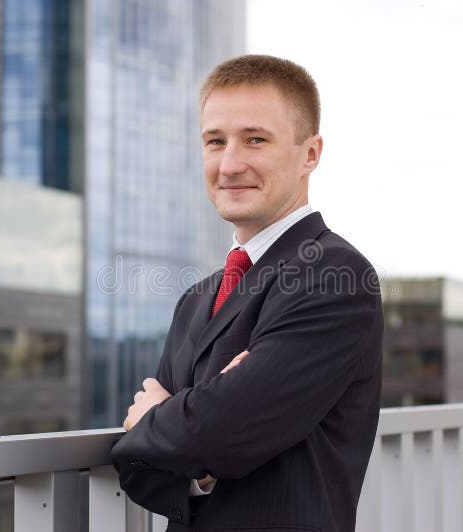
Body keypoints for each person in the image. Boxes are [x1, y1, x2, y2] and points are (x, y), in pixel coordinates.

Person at [110, 54, 383, 532]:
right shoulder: (197, 298)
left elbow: (218, 431)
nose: (230, 164)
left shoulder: (337, 278)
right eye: (215, 141)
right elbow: (139, 466)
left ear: (310, 154)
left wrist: (171, 424)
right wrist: (202, 457)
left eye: (255, 139)